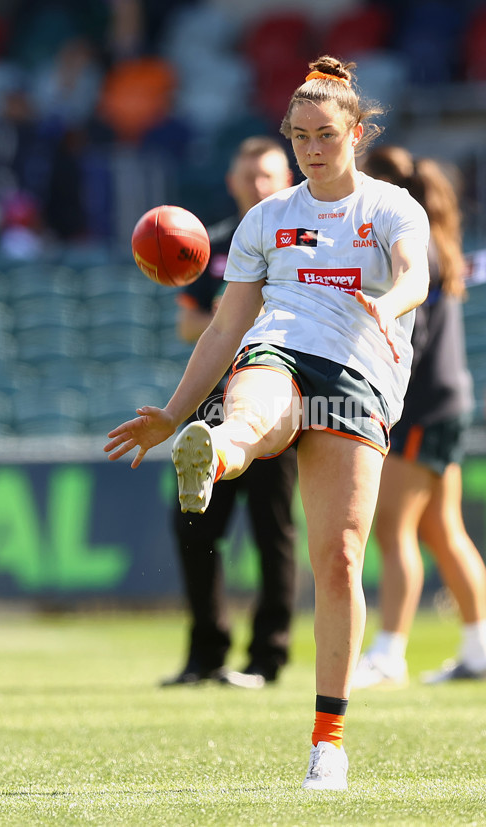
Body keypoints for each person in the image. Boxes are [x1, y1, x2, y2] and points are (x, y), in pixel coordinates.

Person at [104, 55, 430, 791]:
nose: (312, 148)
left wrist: (394, 300)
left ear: (355, 132)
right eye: (300, 136)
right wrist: (176, 413)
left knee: (340, 557)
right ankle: (214, 449)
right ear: (288, 138)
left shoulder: (389, 207)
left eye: (325, 134)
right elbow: (224, 330)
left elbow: (417, 271)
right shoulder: (267, 219)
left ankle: (329, 742)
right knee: (252, 413)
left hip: (360, 374)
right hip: (279, 346)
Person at [352, 146, 486, 690]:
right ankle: (481, 650)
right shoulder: (436, 244)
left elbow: (400, 337)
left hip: (422, 405)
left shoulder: (408, 248)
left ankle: (389, 652)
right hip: (448, 401)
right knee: (444, 531)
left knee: (395, 532)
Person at [162, 136, 298, 690]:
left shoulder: (299, 242)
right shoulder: (209, 243)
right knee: (193, 524)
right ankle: (205, 653)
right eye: (248, 176)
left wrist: (239, 315)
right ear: (232, 182)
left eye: (266, 175)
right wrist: (227, 317)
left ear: (285, 179)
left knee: (274, 532)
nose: (257, 184)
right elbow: (189, 325)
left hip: (276, 403)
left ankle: (267, 657)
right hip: (216, 404)